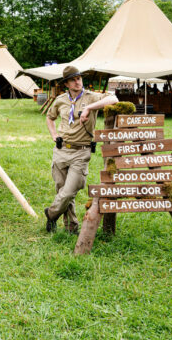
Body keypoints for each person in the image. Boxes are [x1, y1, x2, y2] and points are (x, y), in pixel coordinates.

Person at [44, 66, 119, 234]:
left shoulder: (91, 97)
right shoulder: (61, 99)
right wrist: (54, 134)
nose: (77, 82)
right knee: (62, 190)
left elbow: (114, 98)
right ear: (67, 84)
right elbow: (50, 117)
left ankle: (51, 213)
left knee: (69, 190)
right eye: (73, 79)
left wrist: (89, 108)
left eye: (79, 78)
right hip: (61, 150)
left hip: (81, 151)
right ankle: (71, 227)